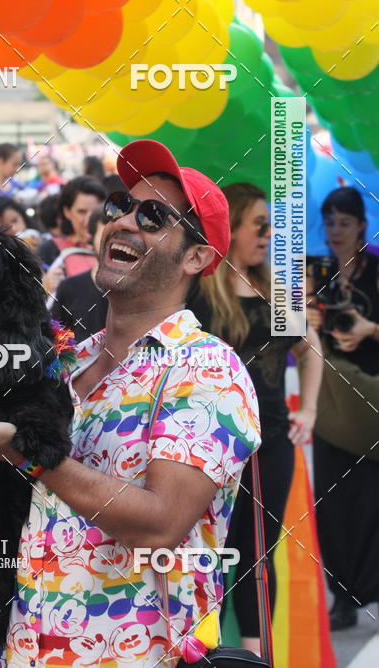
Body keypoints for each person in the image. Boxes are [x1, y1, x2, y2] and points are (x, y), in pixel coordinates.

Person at [0, 139, 262, 668]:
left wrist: (25, 453)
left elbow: (161, 522)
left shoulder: (206, 370)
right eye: (120, 206)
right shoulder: (65, 358)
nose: (124, 221)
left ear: (197, 257)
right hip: (21, 649)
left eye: (153, 216)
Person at [188, 182, 322, 654]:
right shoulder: (200, 289)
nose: (267, 234)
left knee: (256, 555)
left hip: (270, 442)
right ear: (233, 227)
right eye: (258, 224)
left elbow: (311, 349)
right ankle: (197, 652)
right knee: (203, 554)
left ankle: (252, 658)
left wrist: (306, 409)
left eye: (270, 226)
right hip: (209, 443)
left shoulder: (274, 288)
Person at [307, 186, 379, 631]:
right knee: (331, 501)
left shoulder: (376, 268)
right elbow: (291, 335)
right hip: (330, 394)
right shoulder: (315, 270)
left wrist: (370, 330)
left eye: (344, 222)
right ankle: (344, 598)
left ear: (361, 226)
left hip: (373, 394)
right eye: (329, 222)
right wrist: (306, 320)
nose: (336, 231)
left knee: (372, 499)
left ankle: (370, 586)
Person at [50, 209, 108, 343]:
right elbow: (56, 340)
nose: (114, 242)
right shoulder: (69, 288)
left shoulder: (139, 290)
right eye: (106, 234)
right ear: (91, 239)